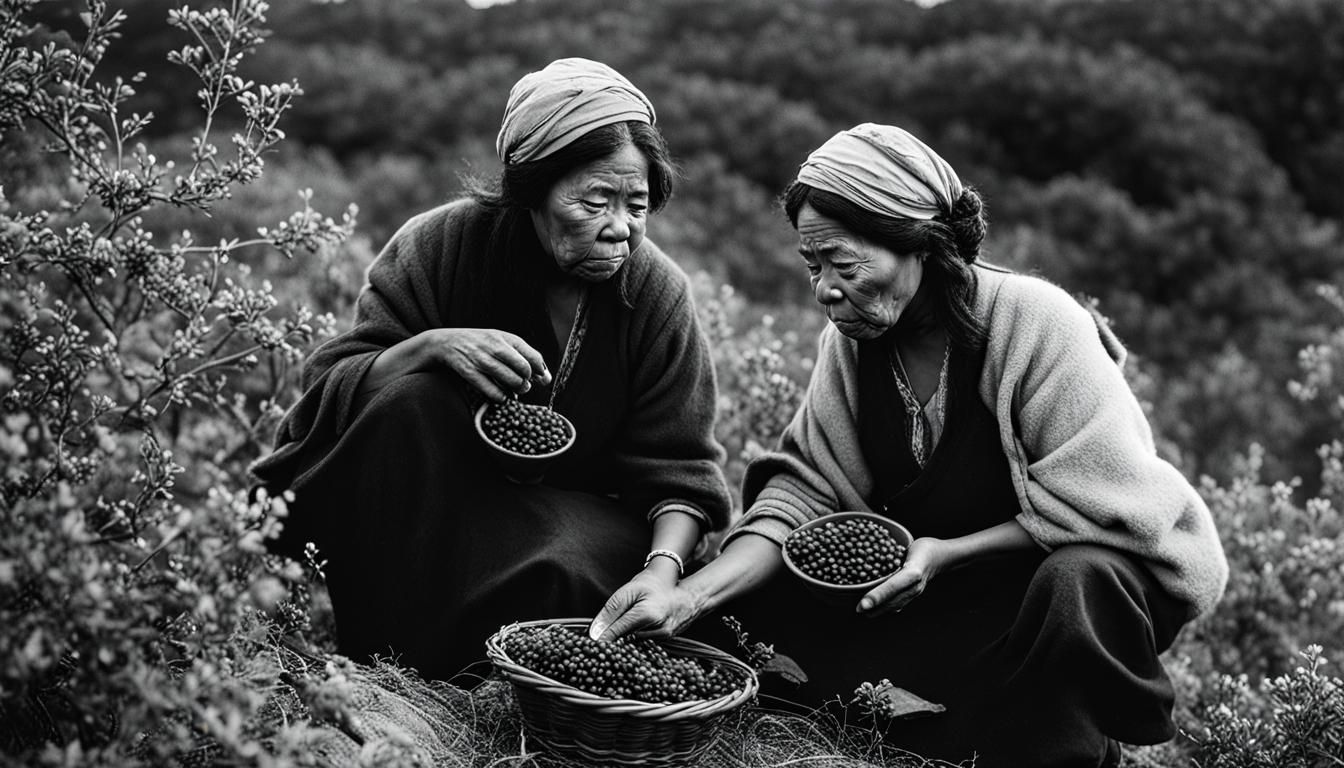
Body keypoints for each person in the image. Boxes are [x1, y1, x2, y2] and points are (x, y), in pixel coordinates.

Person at [590, 123, 1229, 767]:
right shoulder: (853, 343)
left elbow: (1107, 509)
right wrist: (686, 594)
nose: (824, 290)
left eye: (844, 263)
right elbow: (803, 491)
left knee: (1075, 585)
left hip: (1065, 577)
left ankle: (1068, 733)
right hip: (938, 585)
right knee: (754, 608)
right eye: (813, 266)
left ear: (918, 243)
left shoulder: (1036, 324)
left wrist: (948, 553)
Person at [249, 58, 732, 683]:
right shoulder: (441, 246)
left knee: (561, 572)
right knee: (409, 399)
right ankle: (385, 670)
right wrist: (428, 347)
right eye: (594, 201)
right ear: (530, 190)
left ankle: (477, 680)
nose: (620, 228)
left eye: (636, 204)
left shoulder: (657, 295)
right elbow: (332, 389)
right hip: (435, 505)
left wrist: (663, 570)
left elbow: (683, 473)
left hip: (571, 519)